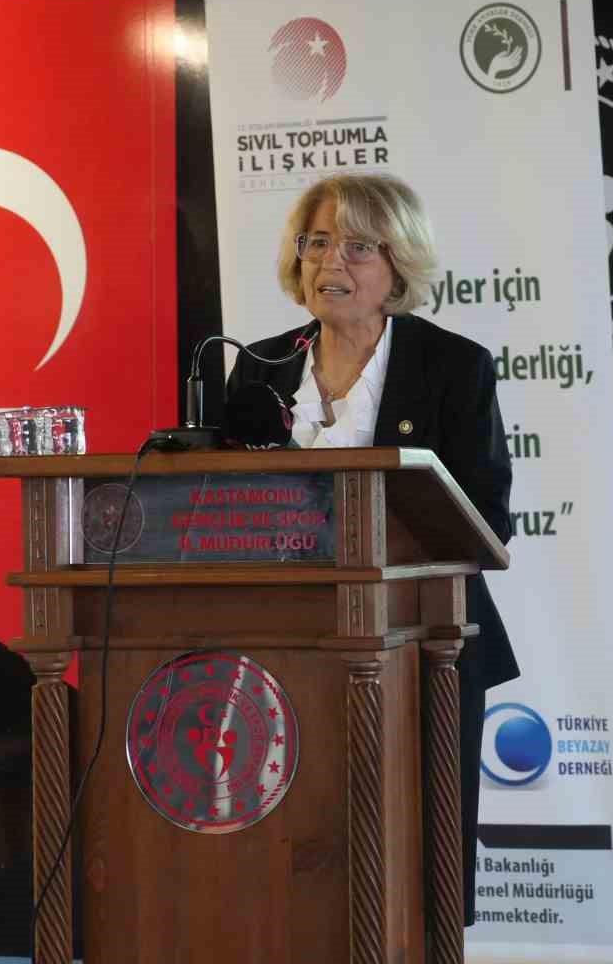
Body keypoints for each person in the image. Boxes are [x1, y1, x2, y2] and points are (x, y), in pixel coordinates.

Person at [226, 173, 517, 925]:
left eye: (358, 246)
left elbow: (487, 518)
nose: (333, 262)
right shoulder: (259, 366)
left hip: (425, 647)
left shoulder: (453, 367)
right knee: (294, 857)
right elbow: (221, 503)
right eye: (318, 242)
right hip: (283, 646)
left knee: (419, 862)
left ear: (398, 264)